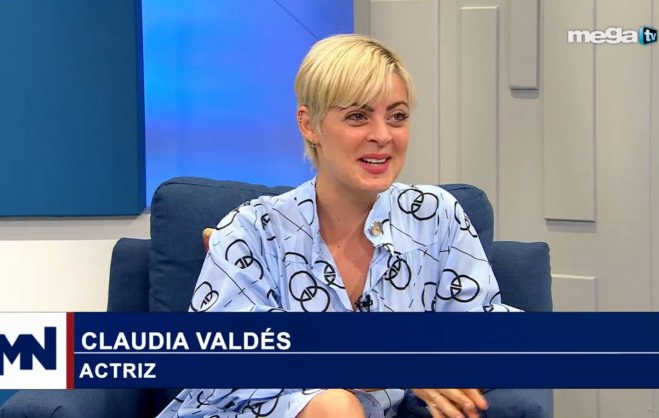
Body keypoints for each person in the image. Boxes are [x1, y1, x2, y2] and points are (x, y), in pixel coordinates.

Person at [157, 34, 517, 418]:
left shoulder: (434, 216)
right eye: (358, 116)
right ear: (309, 124)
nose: (383, 135)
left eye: (397, 116)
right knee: (335, 407)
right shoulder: (251, 231)